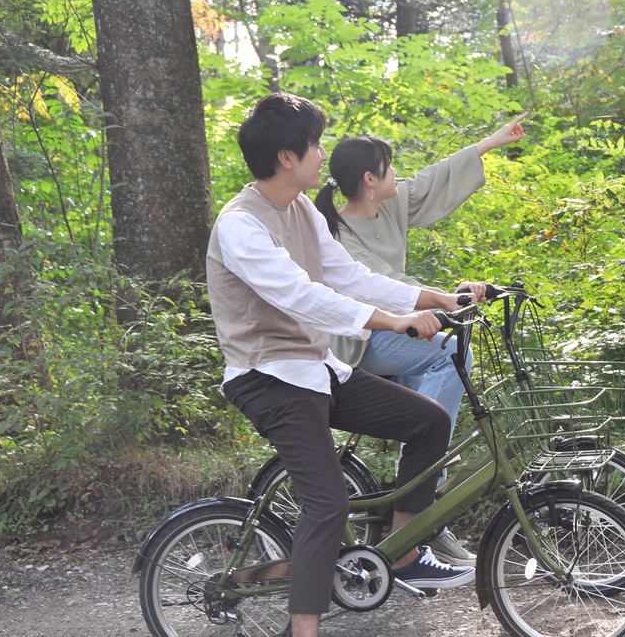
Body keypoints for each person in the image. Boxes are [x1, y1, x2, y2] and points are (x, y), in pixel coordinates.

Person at [207, 92, 481, 637]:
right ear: (288, 157)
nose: (321, 153)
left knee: (429, 421)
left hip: (317, 367)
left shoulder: (303, 210)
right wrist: (390, 321)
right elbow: (303, 296)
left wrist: (434, 299)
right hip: (268, 378)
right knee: (327, 503)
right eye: (314, 144)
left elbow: (348, 276)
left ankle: (402, 554)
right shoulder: (241, 225)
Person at [311, 113, 527, 566]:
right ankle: (421, 496)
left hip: (402, 326)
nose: (398, 175)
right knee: (449, 354)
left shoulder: (386, 203)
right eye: (389, 168)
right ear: (369, 179)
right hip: (362, 337)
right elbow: (379, 286)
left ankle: (426, 521)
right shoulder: (337, 233)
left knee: (439, 364)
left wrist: (492, 140)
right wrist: (443, 302)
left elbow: (432, 180)